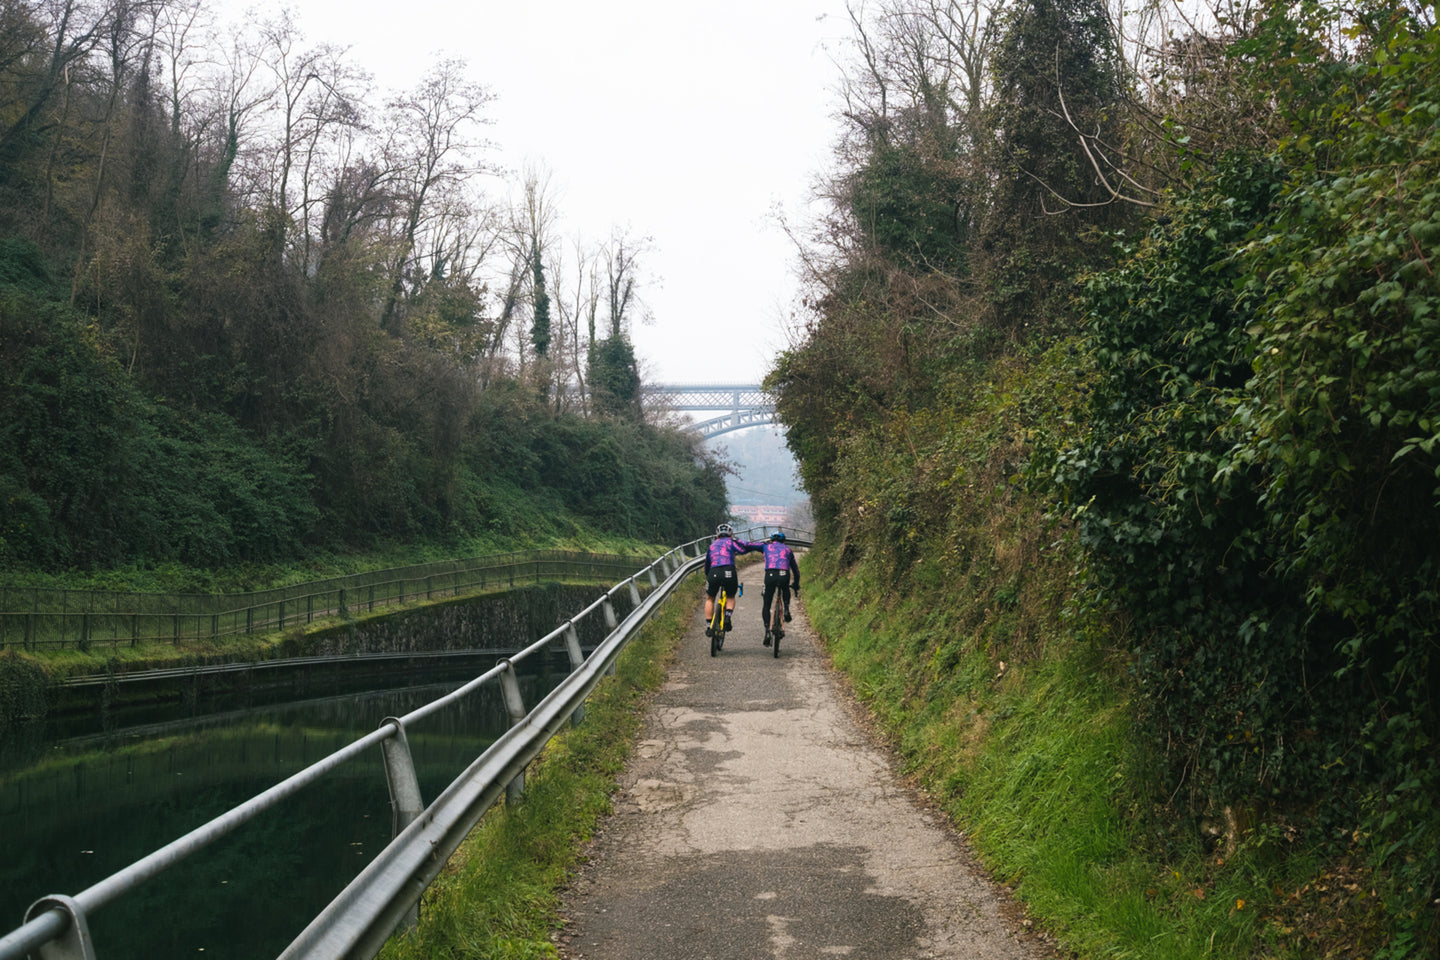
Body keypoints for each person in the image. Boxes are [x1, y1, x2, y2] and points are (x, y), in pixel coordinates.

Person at [703, 523, 760, 637]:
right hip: (729, 570)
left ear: (717, 535)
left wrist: (708, 576)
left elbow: (707, 565)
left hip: (714, 572)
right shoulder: (731, 542)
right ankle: (727, 616)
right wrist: (738, 542)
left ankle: (709, 626)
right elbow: (742, 550)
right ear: (730, 534)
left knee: (710, 598)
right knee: (730, 596)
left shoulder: (712, 546)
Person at [760, 531, 800, 646]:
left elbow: (749, 546)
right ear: (784, 541)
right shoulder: (787, 549)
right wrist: (796, 583)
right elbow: (795, 570)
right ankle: (786, 609)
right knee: (785, 589)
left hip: (770, 575)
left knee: (766, 604)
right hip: (784, 574)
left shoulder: (766, 547)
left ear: (772, 540)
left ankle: (767, 631)